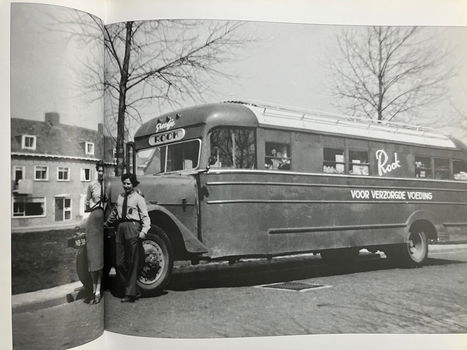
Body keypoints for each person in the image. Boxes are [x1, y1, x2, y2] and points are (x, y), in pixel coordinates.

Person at [105, 173, 150, 303]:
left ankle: (129, 293)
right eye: (124, 183)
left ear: (133, 184)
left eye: (128, 183)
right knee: (119, 263)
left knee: (131, 262)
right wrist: (106, 224)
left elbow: (145, 216)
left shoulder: (138, 198)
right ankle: (132, 290)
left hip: (132, 228)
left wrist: (144, 231)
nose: (126, 186)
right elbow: (114, 213)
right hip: (120, 229)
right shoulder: (120, 197)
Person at [85, 160, 106, 304]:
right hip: (93, 221)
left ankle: (98, 291)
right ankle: (94, 291)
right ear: (96, 170)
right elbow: (86, 203)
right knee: (93, 259)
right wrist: (91, 207)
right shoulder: (92, 185)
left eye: (103, 170)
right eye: (99, 170)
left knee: (100, 259)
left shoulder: (108, 184)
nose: (101, 173)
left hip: (103, 223)